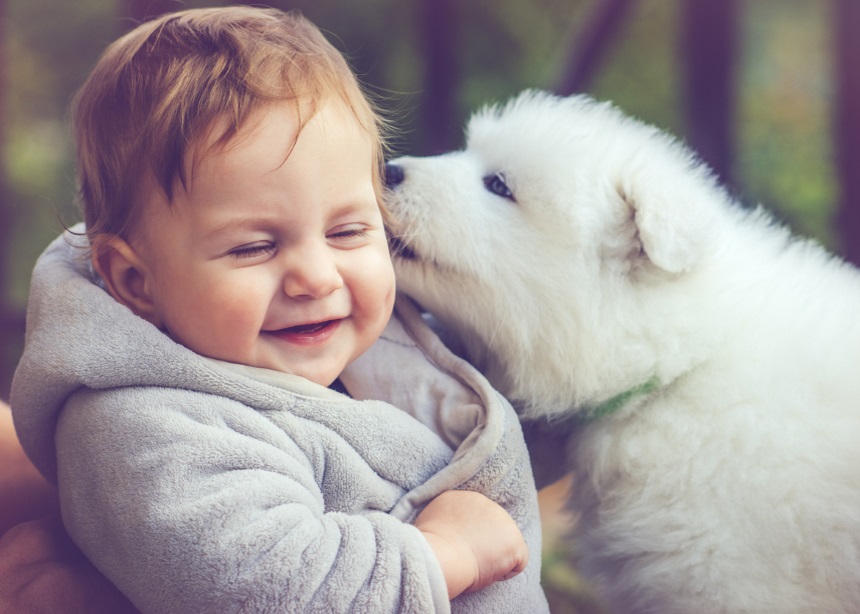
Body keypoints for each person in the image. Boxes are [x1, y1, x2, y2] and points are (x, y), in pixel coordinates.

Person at [9, 7, 548, 613]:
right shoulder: (144, 430)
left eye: (348, 232)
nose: (317, 277)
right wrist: (444, 554)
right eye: (254, 247)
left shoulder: (386, 342)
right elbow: (266, 590)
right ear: (137, 282)